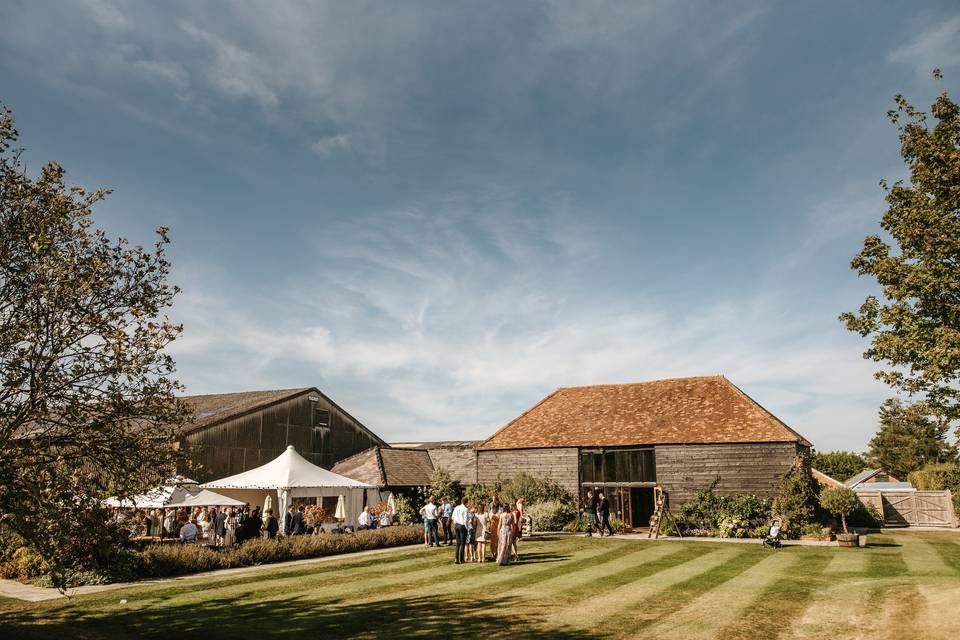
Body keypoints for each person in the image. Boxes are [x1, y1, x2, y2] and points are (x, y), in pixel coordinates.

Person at [451, 497, 470, 564]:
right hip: (462, 525)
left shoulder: (456, 507)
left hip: (456, 525)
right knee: (462, 543)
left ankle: (456, 558)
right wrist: (466, 528)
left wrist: (455, 523)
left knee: (458, 543)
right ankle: (461, 559)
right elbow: (465, 520)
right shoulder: (465, 509)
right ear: (466, 502)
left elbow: (452, 517)